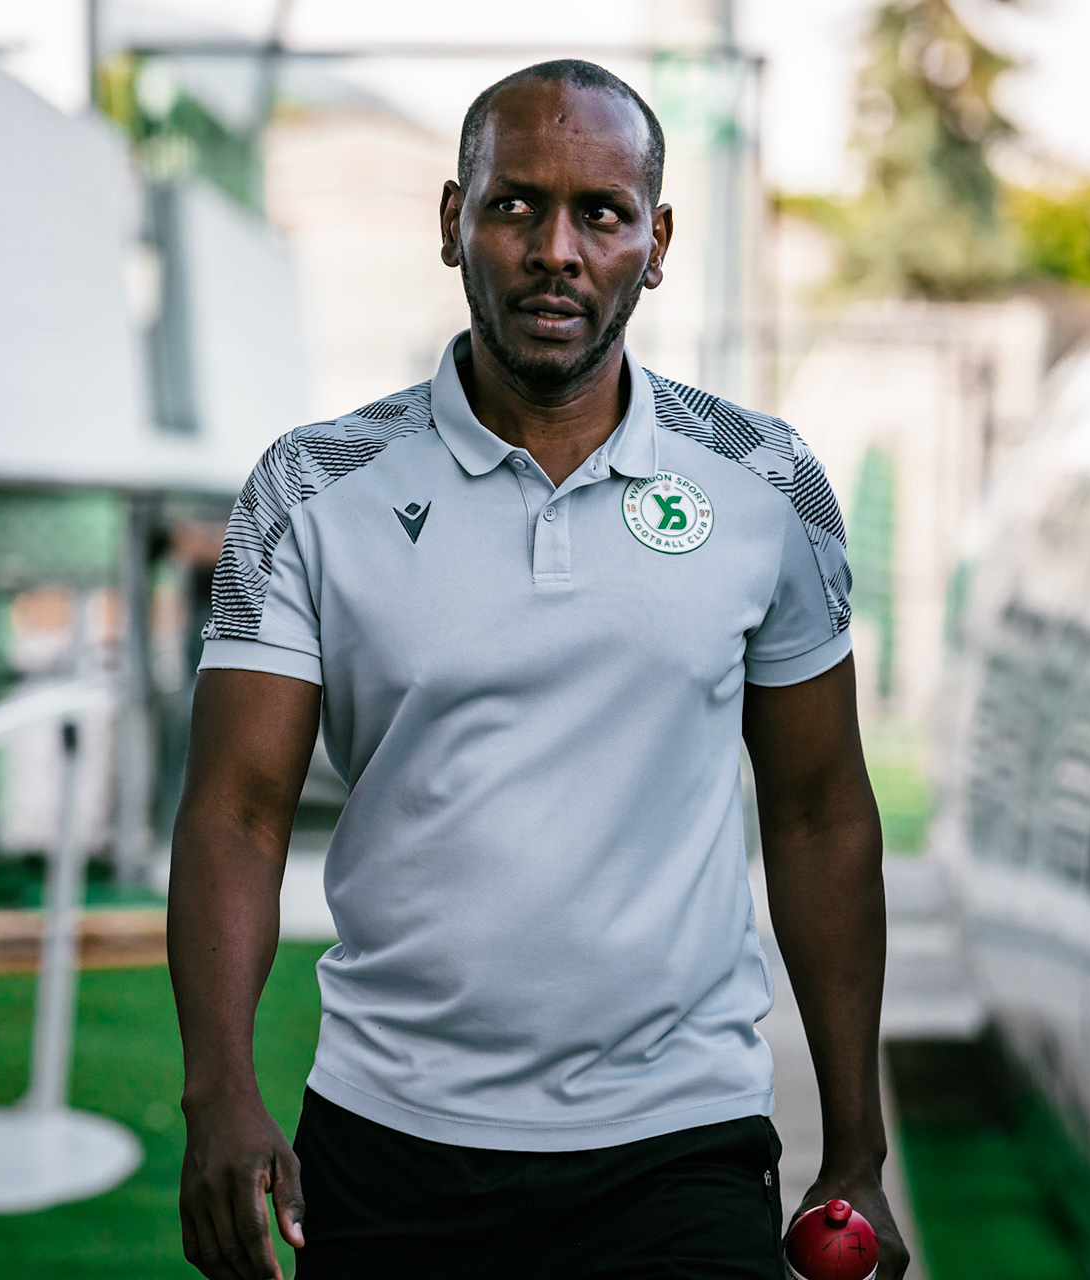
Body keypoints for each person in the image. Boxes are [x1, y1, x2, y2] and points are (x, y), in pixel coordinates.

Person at [168, 58, 906, 1280]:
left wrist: (856, 1147)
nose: (555, 247)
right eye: (514, 205)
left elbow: (822, 812)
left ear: (657, 241)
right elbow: (235, 812)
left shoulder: (768, 481)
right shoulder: (309, 488)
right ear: (452, 223)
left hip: (680, 1138)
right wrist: (219, 1094)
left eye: (602, 213)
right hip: (393, 1134)